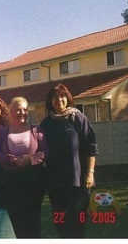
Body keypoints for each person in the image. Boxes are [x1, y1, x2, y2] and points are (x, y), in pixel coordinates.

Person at [40, 83, 98, 238]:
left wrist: (90, 173)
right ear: (50, 101)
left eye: (62, 96)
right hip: (55, 182)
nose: (58, 99)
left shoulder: (77, 118)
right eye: (55, 96)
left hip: (77, 181)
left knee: (76, 223)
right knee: (60, 222)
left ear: (68, 98)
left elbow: (91, 147)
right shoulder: (46, 124)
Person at [0, 97, 48, 238]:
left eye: (24, 109)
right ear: (11, 112)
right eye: (18, 110)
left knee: (32, 217)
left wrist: (31, 159)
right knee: (14, 217)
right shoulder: (2, 132)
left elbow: (47, 152)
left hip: (33, 180)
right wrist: (8, 159)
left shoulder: (36, 130)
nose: (22, 112)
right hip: (10, 182)